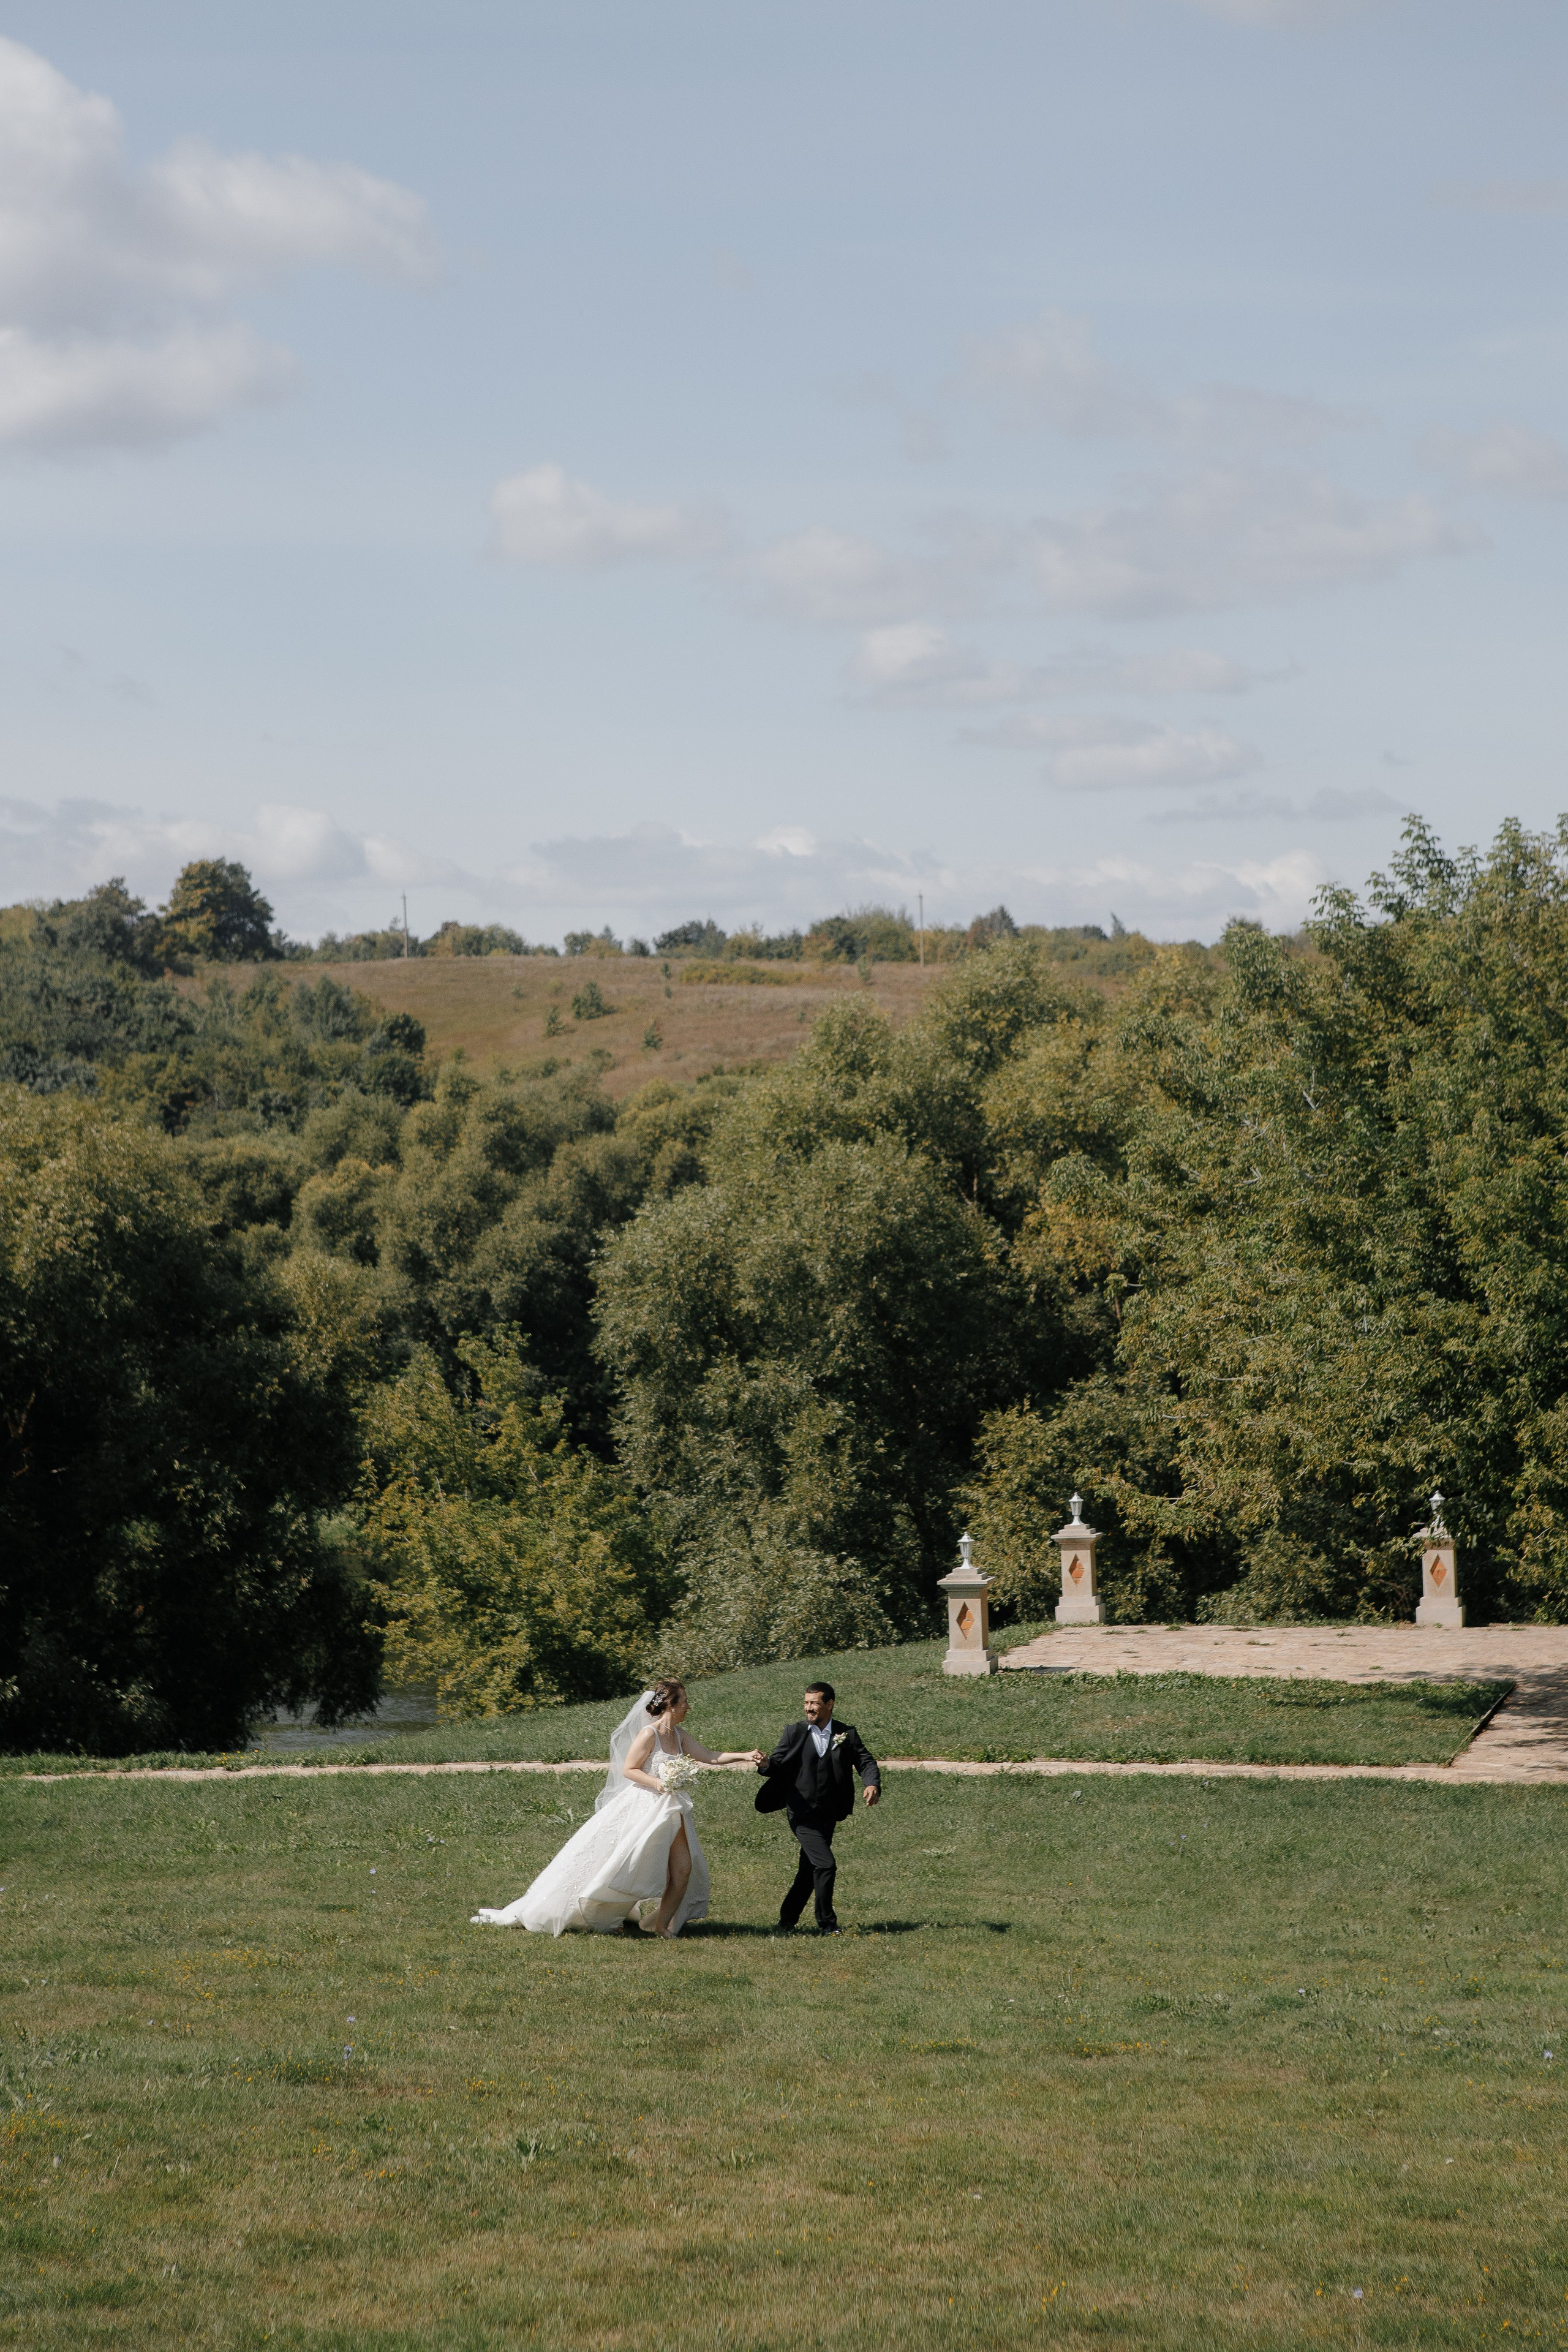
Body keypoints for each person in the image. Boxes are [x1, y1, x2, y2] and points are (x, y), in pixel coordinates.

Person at [470, 1681, 762, 1939]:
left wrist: (744, 1755)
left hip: (672, 1809)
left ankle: (661, 1926)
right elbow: (630, 1770)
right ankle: (590, 1907)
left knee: (683, 1869)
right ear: (670, 1706)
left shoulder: (680, 1734)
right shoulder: (650, 1734)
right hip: (645, 1808)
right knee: (621, 1864)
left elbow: (709, 1756)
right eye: (684, 1701)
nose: (688, 1706)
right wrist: (658, 1782)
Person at [755, 1680, 880, 1936]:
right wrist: (766, 1763)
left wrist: (872, 1784)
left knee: (808, 1869)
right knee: (826, 1865)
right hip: (801, 1813)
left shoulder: (847, 1734)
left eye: (814, 1703)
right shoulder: (795, 1732)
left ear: (829, 1704)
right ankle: (827, 1924)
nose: (808, 1708)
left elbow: (865, 1760)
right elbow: (776, 1763)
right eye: (806, 1703)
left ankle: (786, 1922)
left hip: (830, 1813)